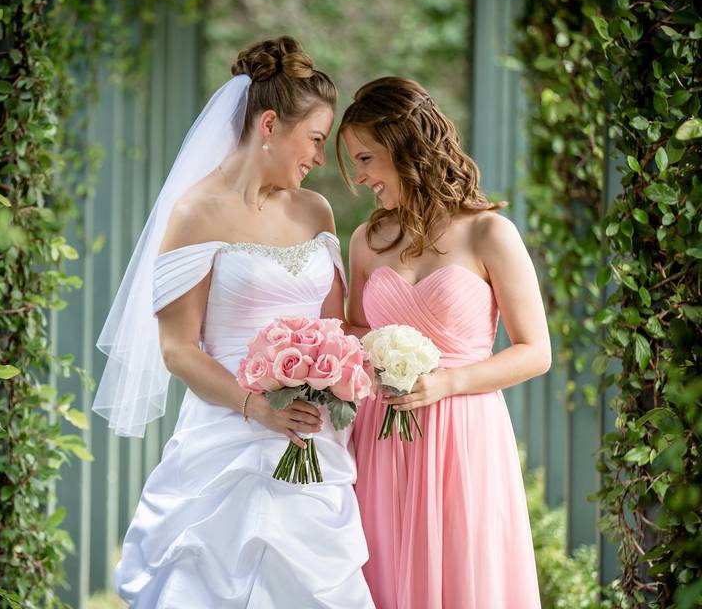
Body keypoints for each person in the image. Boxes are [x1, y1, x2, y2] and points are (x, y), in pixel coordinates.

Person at [94, 36, 372, 607]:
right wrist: (257, 406)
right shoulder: (196, 213)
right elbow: (178, 348)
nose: (320, 158)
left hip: (312, 433)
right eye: (316, 139)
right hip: (228, 434)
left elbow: (334, 327)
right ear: (270, 123)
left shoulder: (314, 210)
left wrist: (341, 373)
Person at [339, 76, 549, 608]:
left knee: (462, 576)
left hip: (462, 437)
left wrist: (447, 381)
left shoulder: (489, 234)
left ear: (403, 146)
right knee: (381, 572)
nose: (359, 177)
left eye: (365, 159)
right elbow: (356, 329)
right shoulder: (366, 240)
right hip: (381, 436)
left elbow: (535, 351)